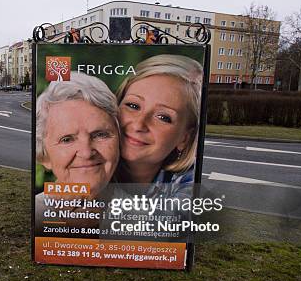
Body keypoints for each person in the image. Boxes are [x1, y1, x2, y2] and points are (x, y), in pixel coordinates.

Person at [35, 72, 120, 233]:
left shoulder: (148, 216)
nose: (87, 152)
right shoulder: (37, 216)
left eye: (100, 134)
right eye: (67, 139)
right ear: (44, 155)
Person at [115, 54, 203, 199]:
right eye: (133, 105)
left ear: (185, 138)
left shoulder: (188, 181)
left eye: (163, 117)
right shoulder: (82, 160)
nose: (139, 124)